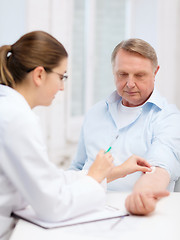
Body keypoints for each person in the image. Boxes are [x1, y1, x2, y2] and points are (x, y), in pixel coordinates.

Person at [0, 32, 153, 240]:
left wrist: (110, 172)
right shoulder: (17, 119)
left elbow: (49, 180)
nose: (62, 87)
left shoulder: (9, 109)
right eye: (61, 76)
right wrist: (95, 176)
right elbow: (54, 206)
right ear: (39, 75)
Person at [70, 38, 180, 215]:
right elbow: (77, 167)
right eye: (122, 74)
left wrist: (143, 194)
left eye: (139, 75)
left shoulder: (168, 118)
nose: (129, 83)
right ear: (114, 71)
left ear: (155, 72)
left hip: (137, 214)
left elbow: (159, 168)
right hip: (85, 210)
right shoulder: (94, 113)